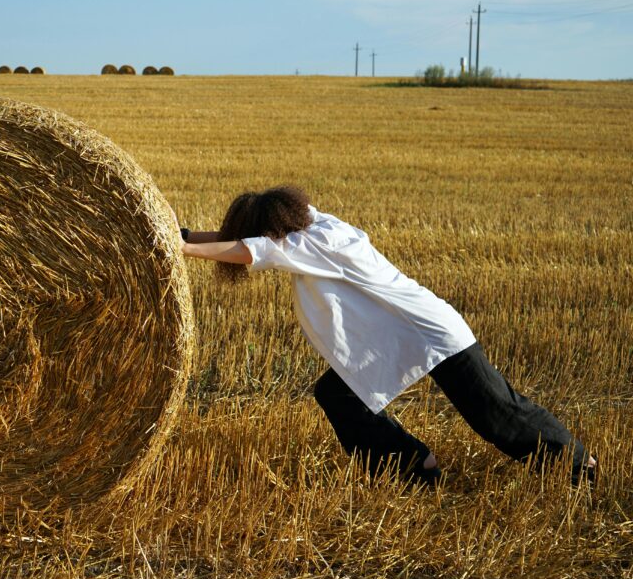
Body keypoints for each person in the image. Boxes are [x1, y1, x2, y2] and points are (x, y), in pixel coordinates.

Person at [178, 185, 596, 487]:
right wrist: (182, 234)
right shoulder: (310, 227)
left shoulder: (320, 240)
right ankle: (417, 466)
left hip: (431, 331)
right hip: (394, 337)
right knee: (339, 395)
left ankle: (580, 466)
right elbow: (247, 242)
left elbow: (252, 250)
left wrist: (183, 249)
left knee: (498, 413)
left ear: (275, 230)